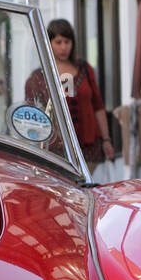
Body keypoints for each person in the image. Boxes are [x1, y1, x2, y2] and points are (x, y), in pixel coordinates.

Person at [26, 19, 114, 170]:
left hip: (88, 148)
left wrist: (106, 139)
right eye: (58, 42)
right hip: (55, 150)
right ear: (49, 43)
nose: (63, 47)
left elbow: (98, 106)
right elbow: (33, 116)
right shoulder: (38, 77)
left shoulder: (85, 70)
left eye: (67, 42)